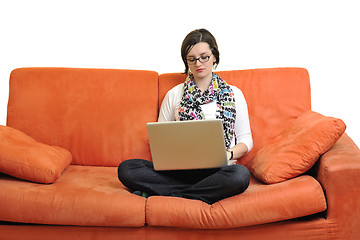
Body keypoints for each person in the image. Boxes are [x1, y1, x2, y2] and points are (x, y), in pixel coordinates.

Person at [118, 28, 253, 205]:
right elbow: (161, 140)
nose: (199, 63)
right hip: (178, 171)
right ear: (186, 62)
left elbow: (246, 140)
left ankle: (172, 196)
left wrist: (227, 154)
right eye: (192, 59)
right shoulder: (174, 95)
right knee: (127, 169)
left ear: (214, 56)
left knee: (240, 176)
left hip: (218, 171)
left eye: (204, 56)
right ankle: (197, 193)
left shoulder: (234, 94)